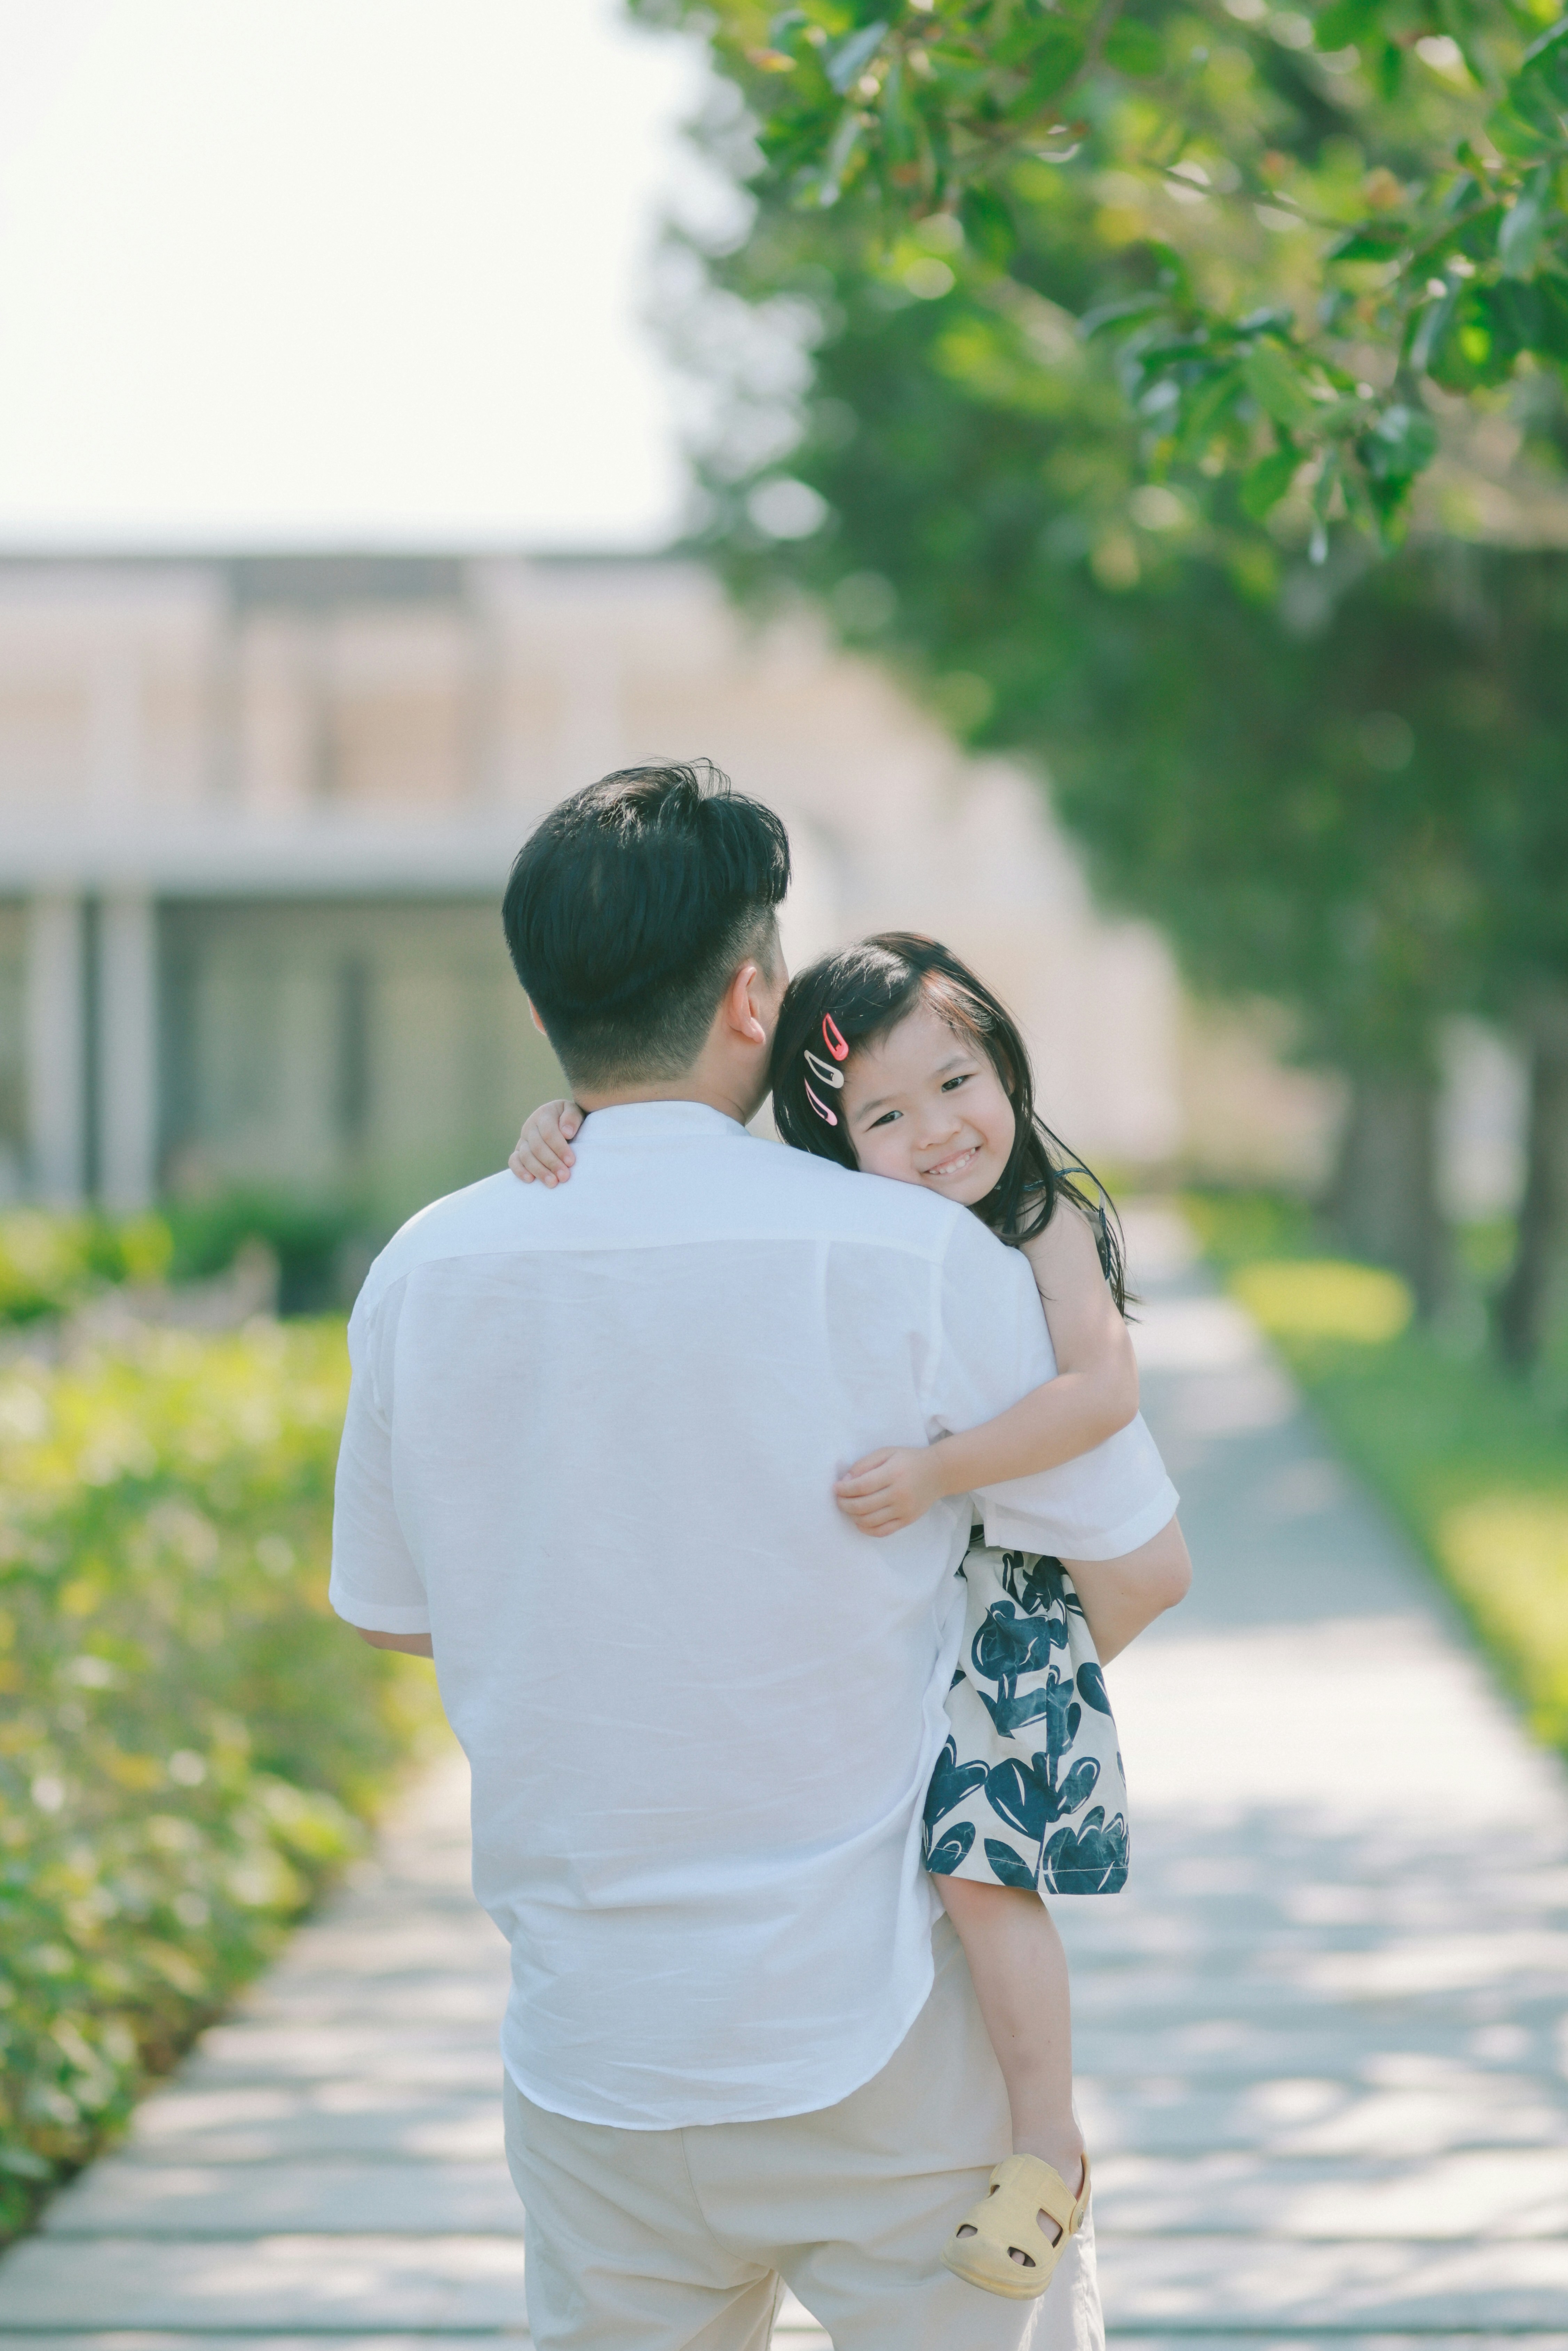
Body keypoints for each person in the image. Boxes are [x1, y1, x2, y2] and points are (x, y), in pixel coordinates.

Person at [331, 760, 1187, 2351]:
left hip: (593, 2052)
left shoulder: (426, 1273)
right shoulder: (915, 1252)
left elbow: (400, 1619)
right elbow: (1136, 1566)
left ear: (547, 1020)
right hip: (885, 2023)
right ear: (755, 993)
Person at [512, 931, 1192, 2302]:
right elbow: (703, 1145)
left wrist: (942, 1469)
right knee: (939, 1855)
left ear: (1002, 1062)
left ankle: (1046, 2141)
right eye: (885, 1115)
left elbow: (1103, 1391)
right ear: (831, 1140)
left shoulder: (1038, 1218)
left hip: (1010, 1602)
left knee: (977, 1878)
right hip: (934, 1604)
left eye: (958, 1082)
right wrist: (570, 1122)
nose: (940, 1131)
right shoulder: (850, 1234)